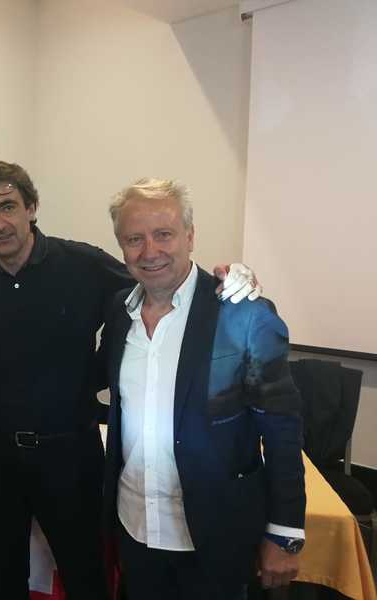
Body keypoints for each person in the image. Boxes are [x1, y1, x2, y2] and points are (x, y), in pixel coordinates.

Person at [0, 159, 261, 600]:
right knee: (2, 582)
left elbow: (156, 282)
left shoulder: (83, 264)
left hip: (70, 455)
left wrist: (224, 282)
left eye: (8, 206)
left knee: (86, 579)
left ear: (31, 207)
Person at [100, 179, 305, 599]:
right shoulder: (120, 313)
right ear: (121, 246)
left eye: (164, 234)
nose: (150, 251)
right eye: (135, 239)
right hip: (135, 527)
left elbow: (282, 431)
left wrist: (284, 532)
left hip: (217, 536)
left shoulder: (242, 314)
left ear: (190, 236)